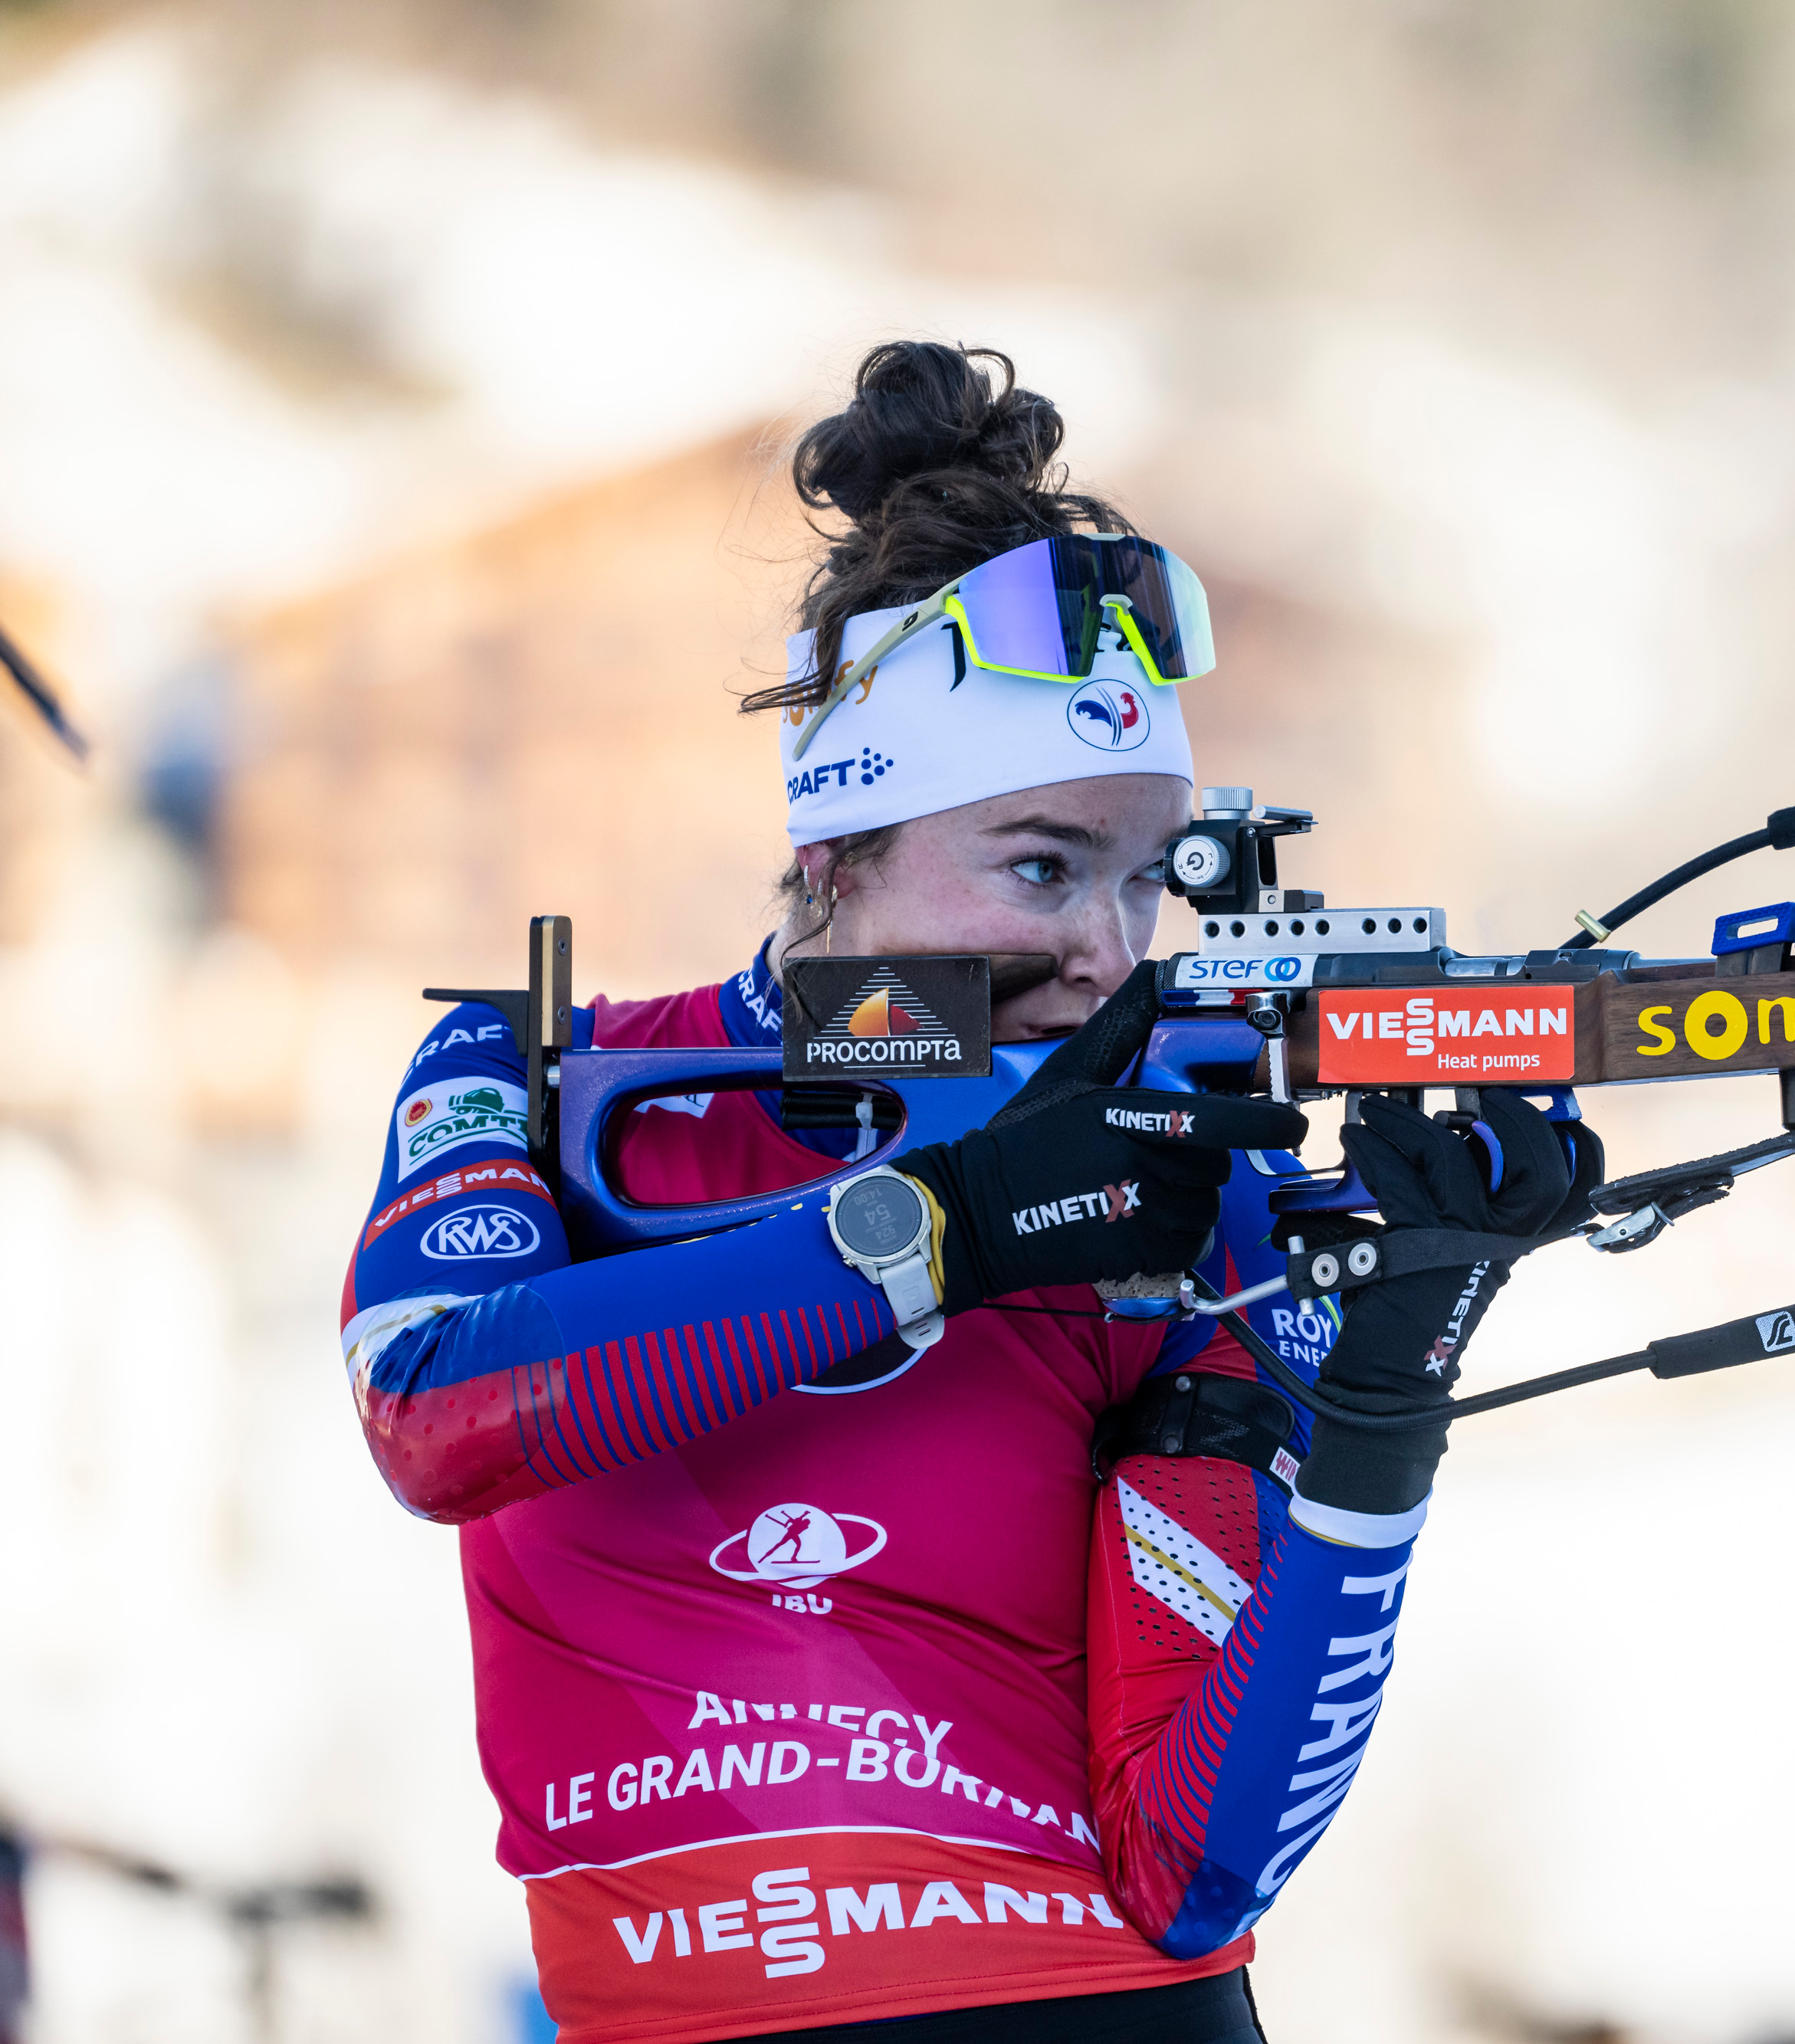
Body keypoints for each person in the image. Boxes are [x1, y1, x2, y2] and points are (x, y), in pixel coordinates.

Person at [339, 343, 1599, 2044]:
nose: (1105, 946)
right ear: (835, 847)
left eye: (1147, 875)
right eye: (1040, 864)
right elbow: (441, 1405)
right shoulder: (546, 1071)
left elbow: (1197, 1864)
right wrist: (955, 1222)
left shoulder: (1167, 1176)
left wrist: (1378, 1403)